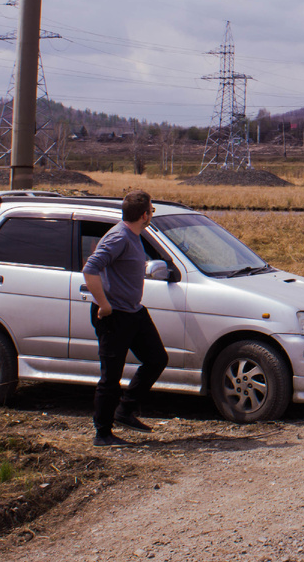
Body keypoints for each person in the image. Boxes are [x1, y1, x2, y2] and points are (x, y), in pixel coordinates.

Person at [82, 190, 169, 447]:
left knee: (156, 359)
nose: (151, 214)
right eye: (151, 210)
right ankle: (103, 433)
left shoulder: (133, 235)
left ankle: (125, 410)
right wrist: (105, 305)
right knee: (111, 377)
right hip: (114, 315)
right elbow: (90, 269)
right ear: (144, 215)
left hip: (133, 311)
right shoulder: (119, 237)